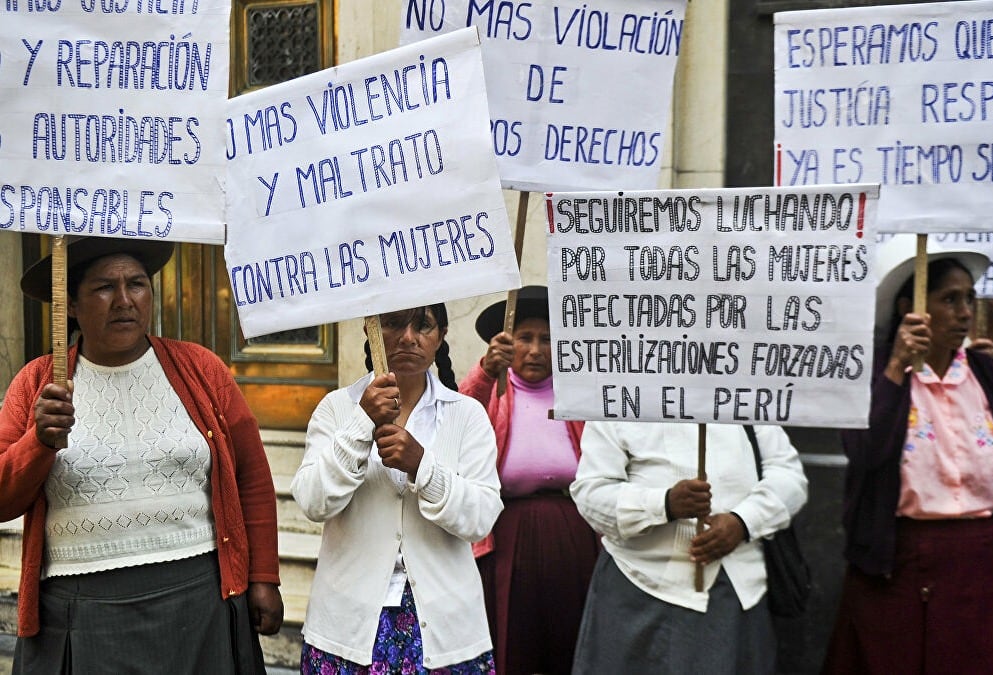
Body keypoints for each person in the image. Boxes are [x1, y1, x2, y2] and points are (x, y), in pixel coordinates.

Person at [1, 236, 283, 673]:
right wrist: (38, 442)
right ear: (71, 305)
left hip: (198, 598)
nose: (123, 300)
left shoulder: (202, 370)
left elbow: (251, 477)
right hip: (82, 610)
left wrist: (263, 575)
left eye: (136, 284)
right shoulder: (37, 384)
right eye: (102, 288)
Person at [822, 234, 993, 674]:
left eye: (969, 298)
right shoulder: (875, 377)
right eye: (949, 299)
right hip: (898, 564)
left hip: (982, 560)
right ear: (910, 306)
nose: (965, 312)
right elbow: (865, 454)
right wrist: (895, 368)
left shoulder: (988, 376)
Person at [291, 304, 503, 674]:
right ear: (369, 329)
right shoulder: (336, 409)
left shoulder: (466, 415)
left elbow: (481, 519)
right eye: (391, 324)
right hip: (347, 624)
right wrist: (361, 425)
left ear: (441, 336)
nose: (408, 337)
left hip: (445, 625)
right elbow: (313, 501)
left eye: (423, 326)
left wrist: (423, 466)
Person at [570, 420, 808, 674]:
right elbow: (591, 492)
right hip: (640, 591)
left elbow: (789, 475)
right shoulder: (621, 400)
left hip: (737, 595)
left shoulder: (743, 395)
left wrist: (743, 522)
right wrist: (663, 504)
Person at [458, 285, 599, 675]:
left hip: (575, 533)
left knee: (570, 644)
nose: (536, 350)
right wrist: (485, 369)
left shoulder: (580, 394)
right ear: (506, 342)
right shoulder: (492, 391)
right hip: (507, 534)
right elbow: (456, 418)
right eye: (524, 338)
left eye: (548, 339)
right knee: (509, 643)